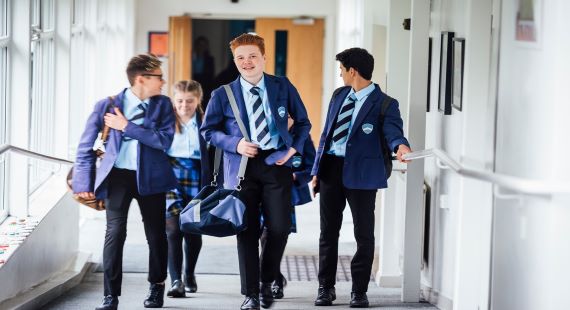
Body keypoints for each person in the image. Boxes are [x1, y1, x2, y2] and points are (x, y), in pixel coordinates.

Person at [200, 33, 311, 310]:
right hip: (240, 169)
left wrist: (293, 150)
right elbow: (208, 131)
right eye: (240, 58)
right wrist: (235, 144)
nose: (246, 62)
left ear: (264, 57)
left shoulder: (282, 86)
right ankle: (251, 294)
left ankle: (266, 280)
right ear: (234, 60)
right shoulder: (222, 94)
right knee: (246, 232)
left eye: (252, 56)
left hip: (276, 164)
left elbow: (303, 123)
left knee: (280, 228)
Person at [72, 54, 177, 310]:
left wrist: (126, 126)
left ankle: (156, 287)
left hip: (151, 177)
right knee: (115, 233)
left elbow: (164, 141)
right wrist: (83, 182)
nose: (163, 82)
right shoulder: (105, 105)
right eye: (159, 77)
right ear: (141, 79)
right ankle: (110, 296)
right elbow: (85, 147)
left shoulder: (163, 105)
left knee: (156, 235)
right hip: (117, 177)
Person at [311, 47, 412, 308]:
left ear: (352, 71)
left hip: (363, 175)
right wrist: (316, 171)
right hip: (331, 169)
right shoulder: (339, 95)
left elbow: (393, 132)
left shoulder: (386, 103)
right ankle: (325, 288)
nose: (341, 75)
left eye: (342, 70)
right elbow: (327, 134)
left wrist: (400, 146)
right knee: (327, 233)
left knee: (363, 235)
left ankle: (359, 291)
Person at [259, 114, 316, 300]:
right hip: (261, 188)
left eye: (291, 115)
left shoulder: (302, 136)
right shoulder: (264, 130)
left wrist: (295, 176)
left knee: (274, 234)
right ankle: (275, 277)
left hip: (285, 192)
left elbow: (312, 165)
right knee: (262, 235)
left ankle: (270, 279)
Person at [164, 80, 211, 298]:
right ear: (174, 100)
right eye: (180, 101)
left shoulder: (206, 121)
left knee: (192, 229)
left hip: (197, 176)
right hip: (170, 176)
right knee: (173, 229)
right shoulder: (166, 120)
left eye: (190, 101)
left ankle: (189, 273)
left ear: (198, 100)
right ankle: (176, 281)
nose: (184, 106)